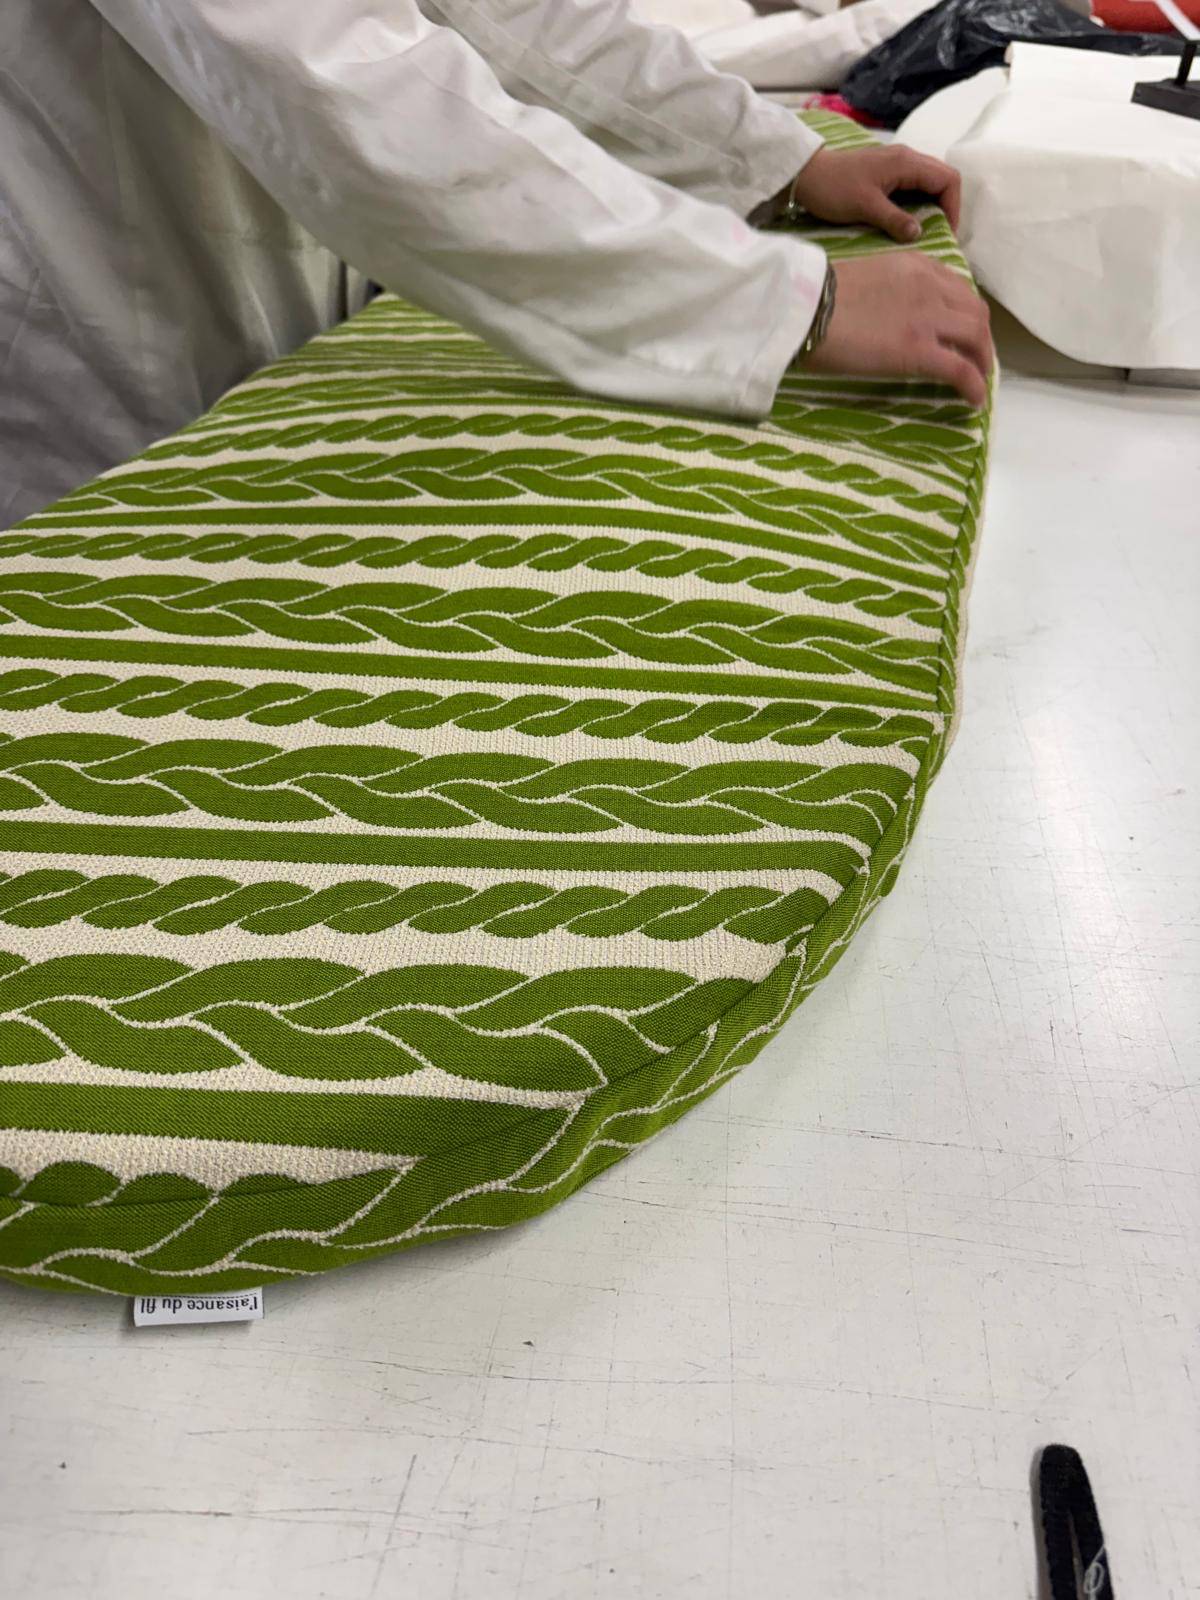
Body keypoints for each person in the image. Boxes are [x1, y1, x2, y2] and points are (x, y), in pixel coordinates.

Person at [0, 0, 993, 528]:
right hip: (97, 351)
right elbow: (340, 86)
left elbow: (521, 13)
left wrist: (772, 158)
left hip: (260, 314)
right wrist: (783, 305)